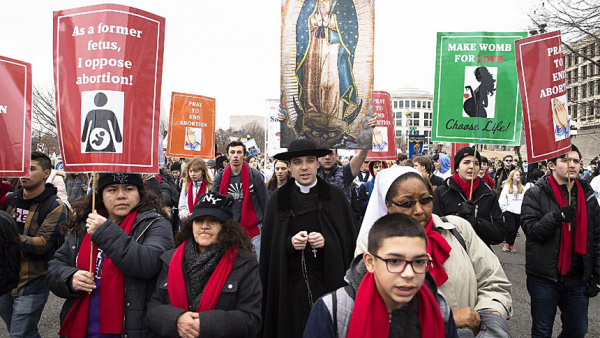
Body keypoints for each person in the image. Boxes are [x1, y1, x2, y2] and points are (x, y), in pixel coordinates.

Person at [356, 166, 512, 337]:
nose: (419, 211)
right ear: (389, 205)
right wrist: (449, 320)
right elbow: (374, 309)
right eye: (407, 203)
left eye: (425, 200)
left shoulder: (458, 229)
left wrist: (489, 317)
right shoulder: (370, 246)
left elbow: (493, 282)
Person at [47, 172, 174, 338]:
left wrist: (105, 231)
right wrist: (69, 278)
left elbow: (149, 263)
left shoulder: (154, 224)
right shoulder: (86, 223)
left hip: (127, 328)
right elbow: (55, 267)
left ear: (139, 193)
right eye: (112, 190)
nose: (121, 196)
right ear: (101, 195)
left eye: (128, 189)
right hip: (82, 327)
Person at [261, 139, 358, 338]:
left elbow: (349, 244)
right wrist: (289, 244)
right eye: (297, 162)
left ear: (317, 163)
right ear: (289, 166)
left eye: (310, 160)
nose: (304, 167)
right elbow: (270, 250)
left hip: (327, 283)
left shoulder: (335, 196)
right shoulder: (278, 199)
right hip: (290, 287)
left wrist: (327, 242)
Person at [304, 213, 458, 338]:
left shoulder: (439, 308)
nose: (409, 274)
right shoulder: (334, 310)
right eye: (395, 261)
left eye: (419, 262)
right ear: (370, 262)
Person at [146, 192, 262, 338]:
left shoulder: (244, 263)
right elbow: (153, 309)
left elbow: (252, 319)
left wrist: (205, 324)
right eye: (199, 220)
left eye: (213, 220)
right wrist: (177, 320)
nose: (204, 226)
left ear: (226, 227)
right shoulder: (170, 260)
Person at [521, 145, 600, 337]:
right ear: (552, 165)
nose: (572, 165)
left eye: (576, 161)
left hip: (577, 278)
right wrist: (557, 217)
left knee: (577, 331)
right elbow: (532, 231)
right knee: (542, 331)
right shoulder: (536, 193)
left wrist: (596, 276)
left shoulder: (588, 195)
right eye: (566, 160)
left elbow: (596, 238)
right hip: (544, 278)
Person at [0, 151, 68, 338]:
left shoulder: (55, 206)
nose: (24, 173)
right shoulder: (10, 199)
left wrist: (8, 238)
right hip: (6, 278)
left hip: (32, 281)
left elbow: (42, 244)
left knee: (18, 334)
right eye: (22, 169)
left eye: (30, 169)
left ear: (46, 174)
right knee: (23, 332)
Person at [433, 147, 505, 246]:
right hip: (451, 254)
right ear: (457, 167)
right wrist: (458, 216)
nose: (471, 167)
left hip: (480, 256)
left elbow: (499, 234)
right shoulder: (442, 192)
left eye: (476, 163)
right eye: (466, 162)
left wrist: (478, 223)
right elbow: (434, 228)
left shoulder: (488, 194)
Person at [212, 141, 268, 261]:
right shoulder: (220, 177)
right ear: (227, 155)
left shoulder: (255, 175)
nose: (236, 155)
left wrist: (266, 226)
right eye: (232, 152)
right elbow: (214, 204)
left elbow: (265, 202)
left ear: (244, 155)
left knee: (255, 265)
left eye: (239, 152)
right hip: (229, 229)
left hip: (253, 230)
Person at [499, 169, 527, 253]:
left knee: (515, 229)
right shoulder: (507, 187)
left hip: (519, 211)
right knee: (510, 228)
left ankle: (511, 244)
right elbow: (502, 199)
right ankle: (507, 243)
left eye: (519, 175)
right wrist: (504, 209)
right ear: (512, 177)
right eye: (517, 175)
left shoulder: (522, 187)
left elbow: (525, 198)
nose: (518, 177)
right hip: (509, 210)